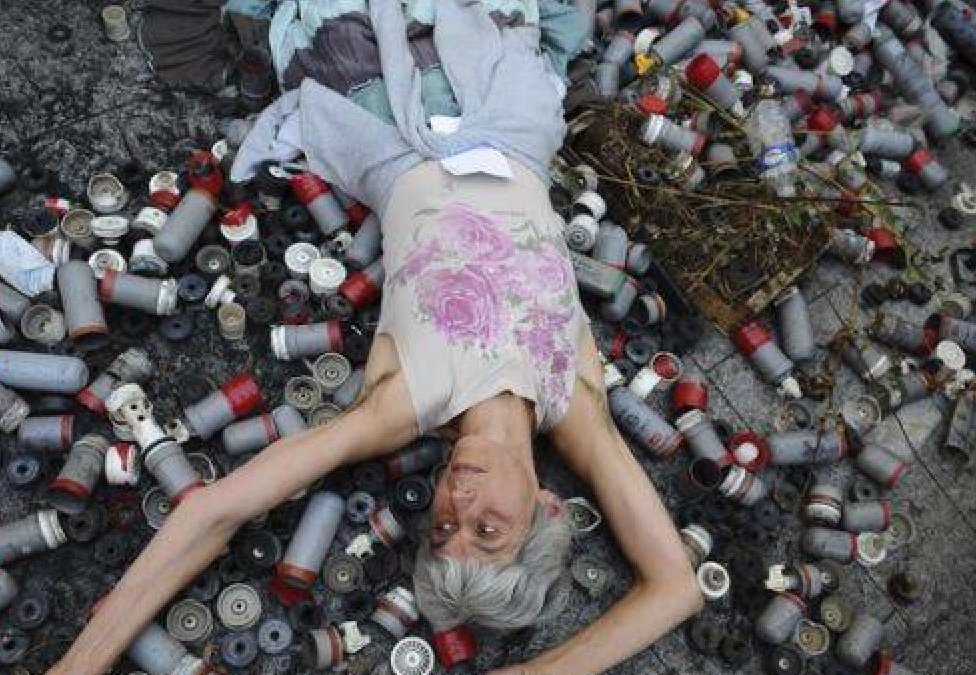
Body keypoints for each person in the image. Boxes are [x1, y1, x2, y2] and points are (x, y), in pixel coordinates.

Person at [51, 1, 702, 673]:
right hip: (503, 114)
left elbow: (212, 513)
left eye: (444, 526)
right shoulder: (576, 405)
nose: (458, 501)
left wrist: (76, 666)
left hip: (384, 110)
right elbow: (675, 587)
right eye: (487, 528)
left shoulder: (404, 404)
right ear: (547, 508)